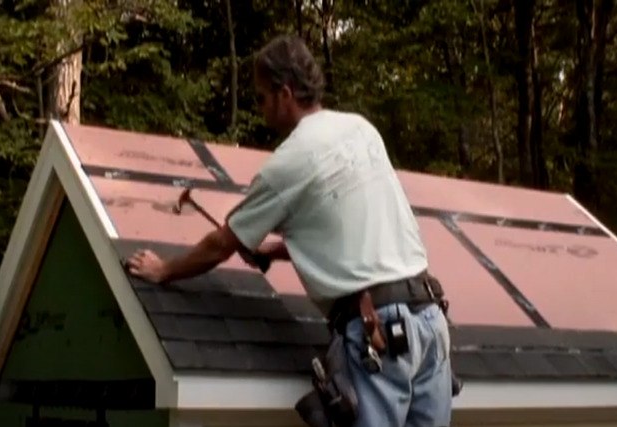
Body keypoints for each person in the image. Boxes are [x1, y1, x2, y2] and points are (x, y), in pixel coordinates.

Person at [126, 34, 453, 426]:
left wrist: (164, 270)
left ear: (285, 94)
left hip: (377, 331)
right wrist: (280, 250)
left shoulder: (288, 164)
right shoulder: (361, 130)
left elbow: (220, 245)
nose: (261, 110)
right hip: (429, 320)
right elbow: (354, 229)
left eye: (262, 98)